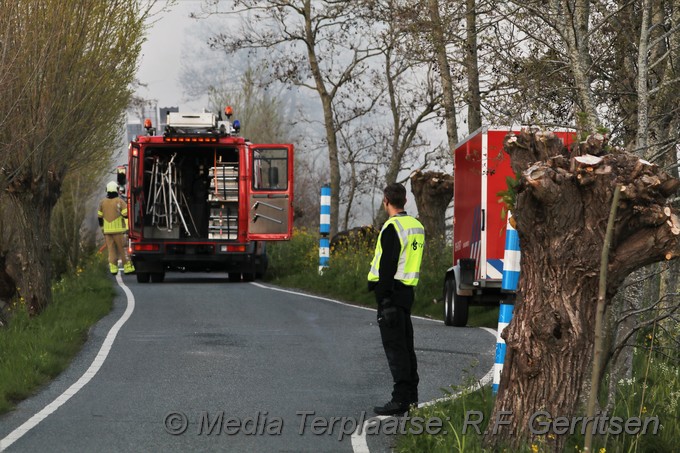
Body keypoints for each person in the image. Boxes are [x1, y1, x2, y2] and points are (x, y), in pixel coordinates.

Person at [368, 182, 425, 416]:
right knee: (406, 347)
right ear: (406, 201)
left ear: (386, 201)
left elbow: (387, 266)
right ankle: (411, 398)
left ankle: (400, 400)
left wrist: (384, 300)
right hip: (407, 293)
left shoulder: (393, 227)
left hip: (392, 294)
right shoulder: (416, 226)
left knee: (396, 349)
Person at [98, 181, 135, 275]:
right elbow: (126, 215)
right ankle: (127, 268)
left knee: (111, 250)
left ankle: (113, 269)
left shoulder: (102, 202)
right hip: (119, 231)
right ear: (116, 190)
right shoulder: (120, 201)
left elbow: (100, 217)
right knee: (123, 249)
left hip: (107, 232)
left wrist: (103, 228)